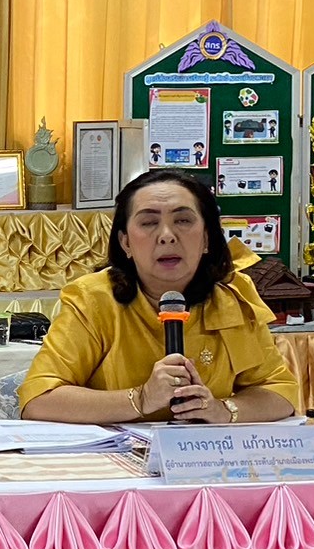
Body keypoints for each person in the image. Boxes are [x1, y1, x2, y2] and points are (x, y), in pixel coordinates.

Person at [19, 170, 298, 425]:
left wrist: (222, 410)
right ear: (126, 242)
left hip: (204, 452)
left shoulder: (230, 297)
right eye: (149, 222)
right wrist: (140, 398)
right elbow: (38, 400)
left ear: (207, 239)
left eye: (183, 220)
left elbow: (280, 392)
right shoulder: (93, 299)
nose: (166, 236)